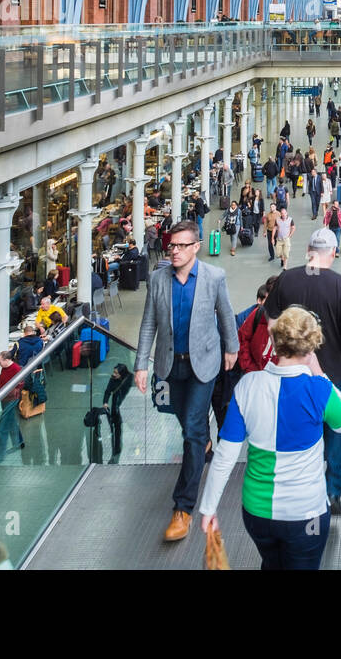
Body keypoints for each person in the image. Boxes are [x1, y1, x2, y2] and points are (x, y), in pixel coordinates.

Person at [198, 307, 341, 570]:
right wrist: (318, 371)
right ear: (311, 348)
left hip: (257, 513)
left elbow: (225, 457)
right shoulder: (319, 390)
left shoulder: (247, 386)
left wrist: (208, 508)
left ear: (274, 341)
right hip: (306, 515)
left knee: (272, 563)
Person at [134, 219, 239, 542]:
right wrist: (141, 364)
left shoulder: (213, 277)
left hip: (203, 364)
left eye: (181, 246)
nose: (174, 251)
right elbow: (149, 322)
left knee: (191, 430)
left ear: (196, 247)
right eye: (171, 245)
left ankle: (183, 508)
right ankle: (203, 440)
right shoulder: (158, 279)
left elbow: (225, 314)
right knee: (187, 423)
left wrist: (231, 348)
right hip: (170, 365)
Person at [263, 229, 341, 516]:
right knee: (335, 433)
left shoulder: (286, 279)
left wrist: (286, 348)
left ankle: (300, 488)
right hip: (332, 373)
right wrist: (340, 350)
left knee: (299, 431)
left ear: (307, 249)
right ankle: (331, 492)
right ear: (332, 252)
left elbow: (270, 321)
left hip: (291, 374)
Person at [0, 350, 25, 466]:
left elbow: (21, 382)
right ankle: (19, 442)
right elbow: (3, 380)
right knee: (12, 421)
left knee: (2, 428)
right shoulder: (5, 368)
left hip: (11, 399)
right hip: (5, 398)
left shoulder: (16, 369)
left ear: (6, 360)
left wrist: (15, 390)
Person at [102, 363, 133, 460]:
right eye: (114, 372)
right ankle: (116, 448)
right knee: (116, 427)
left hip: (127, 404)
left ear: (122, 374)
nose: (114, 374)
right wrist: (105, 402)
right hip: (116, 405)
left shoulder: (130, 378)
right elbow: (108, 391)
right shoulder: (112, 379)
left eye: (116, 373)